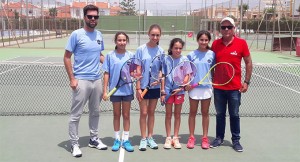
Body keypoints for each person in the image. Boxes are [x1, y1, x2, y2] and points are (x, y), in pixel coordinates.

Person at [63, 4, 107, 157]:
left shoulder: (99, 35)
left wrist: (111, 64)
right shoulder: (76, 34)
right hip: (81, 80)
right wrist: (72, 79)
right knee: (76, 114)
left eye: (95, 17)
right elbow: (67, 57)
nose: (93, 19)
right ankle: (74, 144)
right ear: (84, 17)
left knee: (95, 112)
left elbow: (100, 56)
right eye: (90, 16)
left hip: (97, 80)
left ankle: (93, 139)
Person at [210, 17, 253, 152]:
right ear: (220, 30)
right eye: (223, 27)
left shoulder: (242, 43)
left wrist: (246, 82)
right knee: (220, 114)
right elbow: (210, 64)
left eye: (229, 27)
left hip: (235, 88)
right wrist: (212, 80)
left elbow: (248, 62)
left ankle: (236, 140)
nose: (226, 29)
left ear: (234, 28)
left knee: (234, 115)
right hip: (218, 88)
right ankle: (219, 138)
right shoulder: (215, 44)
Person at [102, 32, 134, 152]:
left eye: (124, 40)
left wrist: (134, 75)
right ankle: (117, 139)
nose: (122, 42)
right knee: (116, 115)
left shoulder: (131, 55)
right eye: (119, 40)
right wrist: (105, 90)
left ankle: (125, 139)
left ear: (127, 41)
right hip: (114, 91)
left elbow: (135, 72)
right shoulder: (110, 56)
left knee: (126, 115)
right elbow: (106, 73)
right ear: (116, 42)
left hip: (127, 90)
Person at [135, 24, 164, 151]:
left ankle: (150, 137)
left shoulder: (161, 51)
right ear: (148, 34)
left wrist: (159, 79)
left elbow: (161, 70)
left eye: (157, 35)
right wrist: (137, 88)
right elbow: (137, 69)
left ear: (160, 36)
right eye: (153, 34)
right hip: (142, 87)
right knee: (144, 112)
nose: (155, 37)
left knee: (151, 112)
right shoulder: (140, 49)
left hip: (154, 87)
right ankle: (143, 138)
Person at [185, 30, 215, 149]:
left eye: (206, 40)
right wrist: (187, 83)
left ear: (208, 41)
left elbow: (213, 70)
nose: (203, 42)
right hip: (194, 88)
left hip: (207, 88)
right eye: (201, 40)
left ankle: (204, 138)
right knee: (192, 113)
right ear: (197, 40)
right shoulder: (191, 55)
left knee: (205, 113)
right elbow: (187, 71)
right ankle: (191, 137)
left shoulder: (212, 54)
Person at [160, 38, 189, 149]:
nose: (178, 50)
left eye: (180, 48)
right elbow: (163, 75)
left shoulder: (185, 59)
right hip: (167, 91)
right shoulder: (166, 59)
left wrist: (181, 87)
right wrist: (162, 91)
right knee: (168, 115)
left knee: (177, 115)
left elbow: (187, 75)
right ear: (171, 48)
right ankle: (168, 137)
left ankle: (175, 137)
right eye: (175, 48)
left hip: (179, 91)